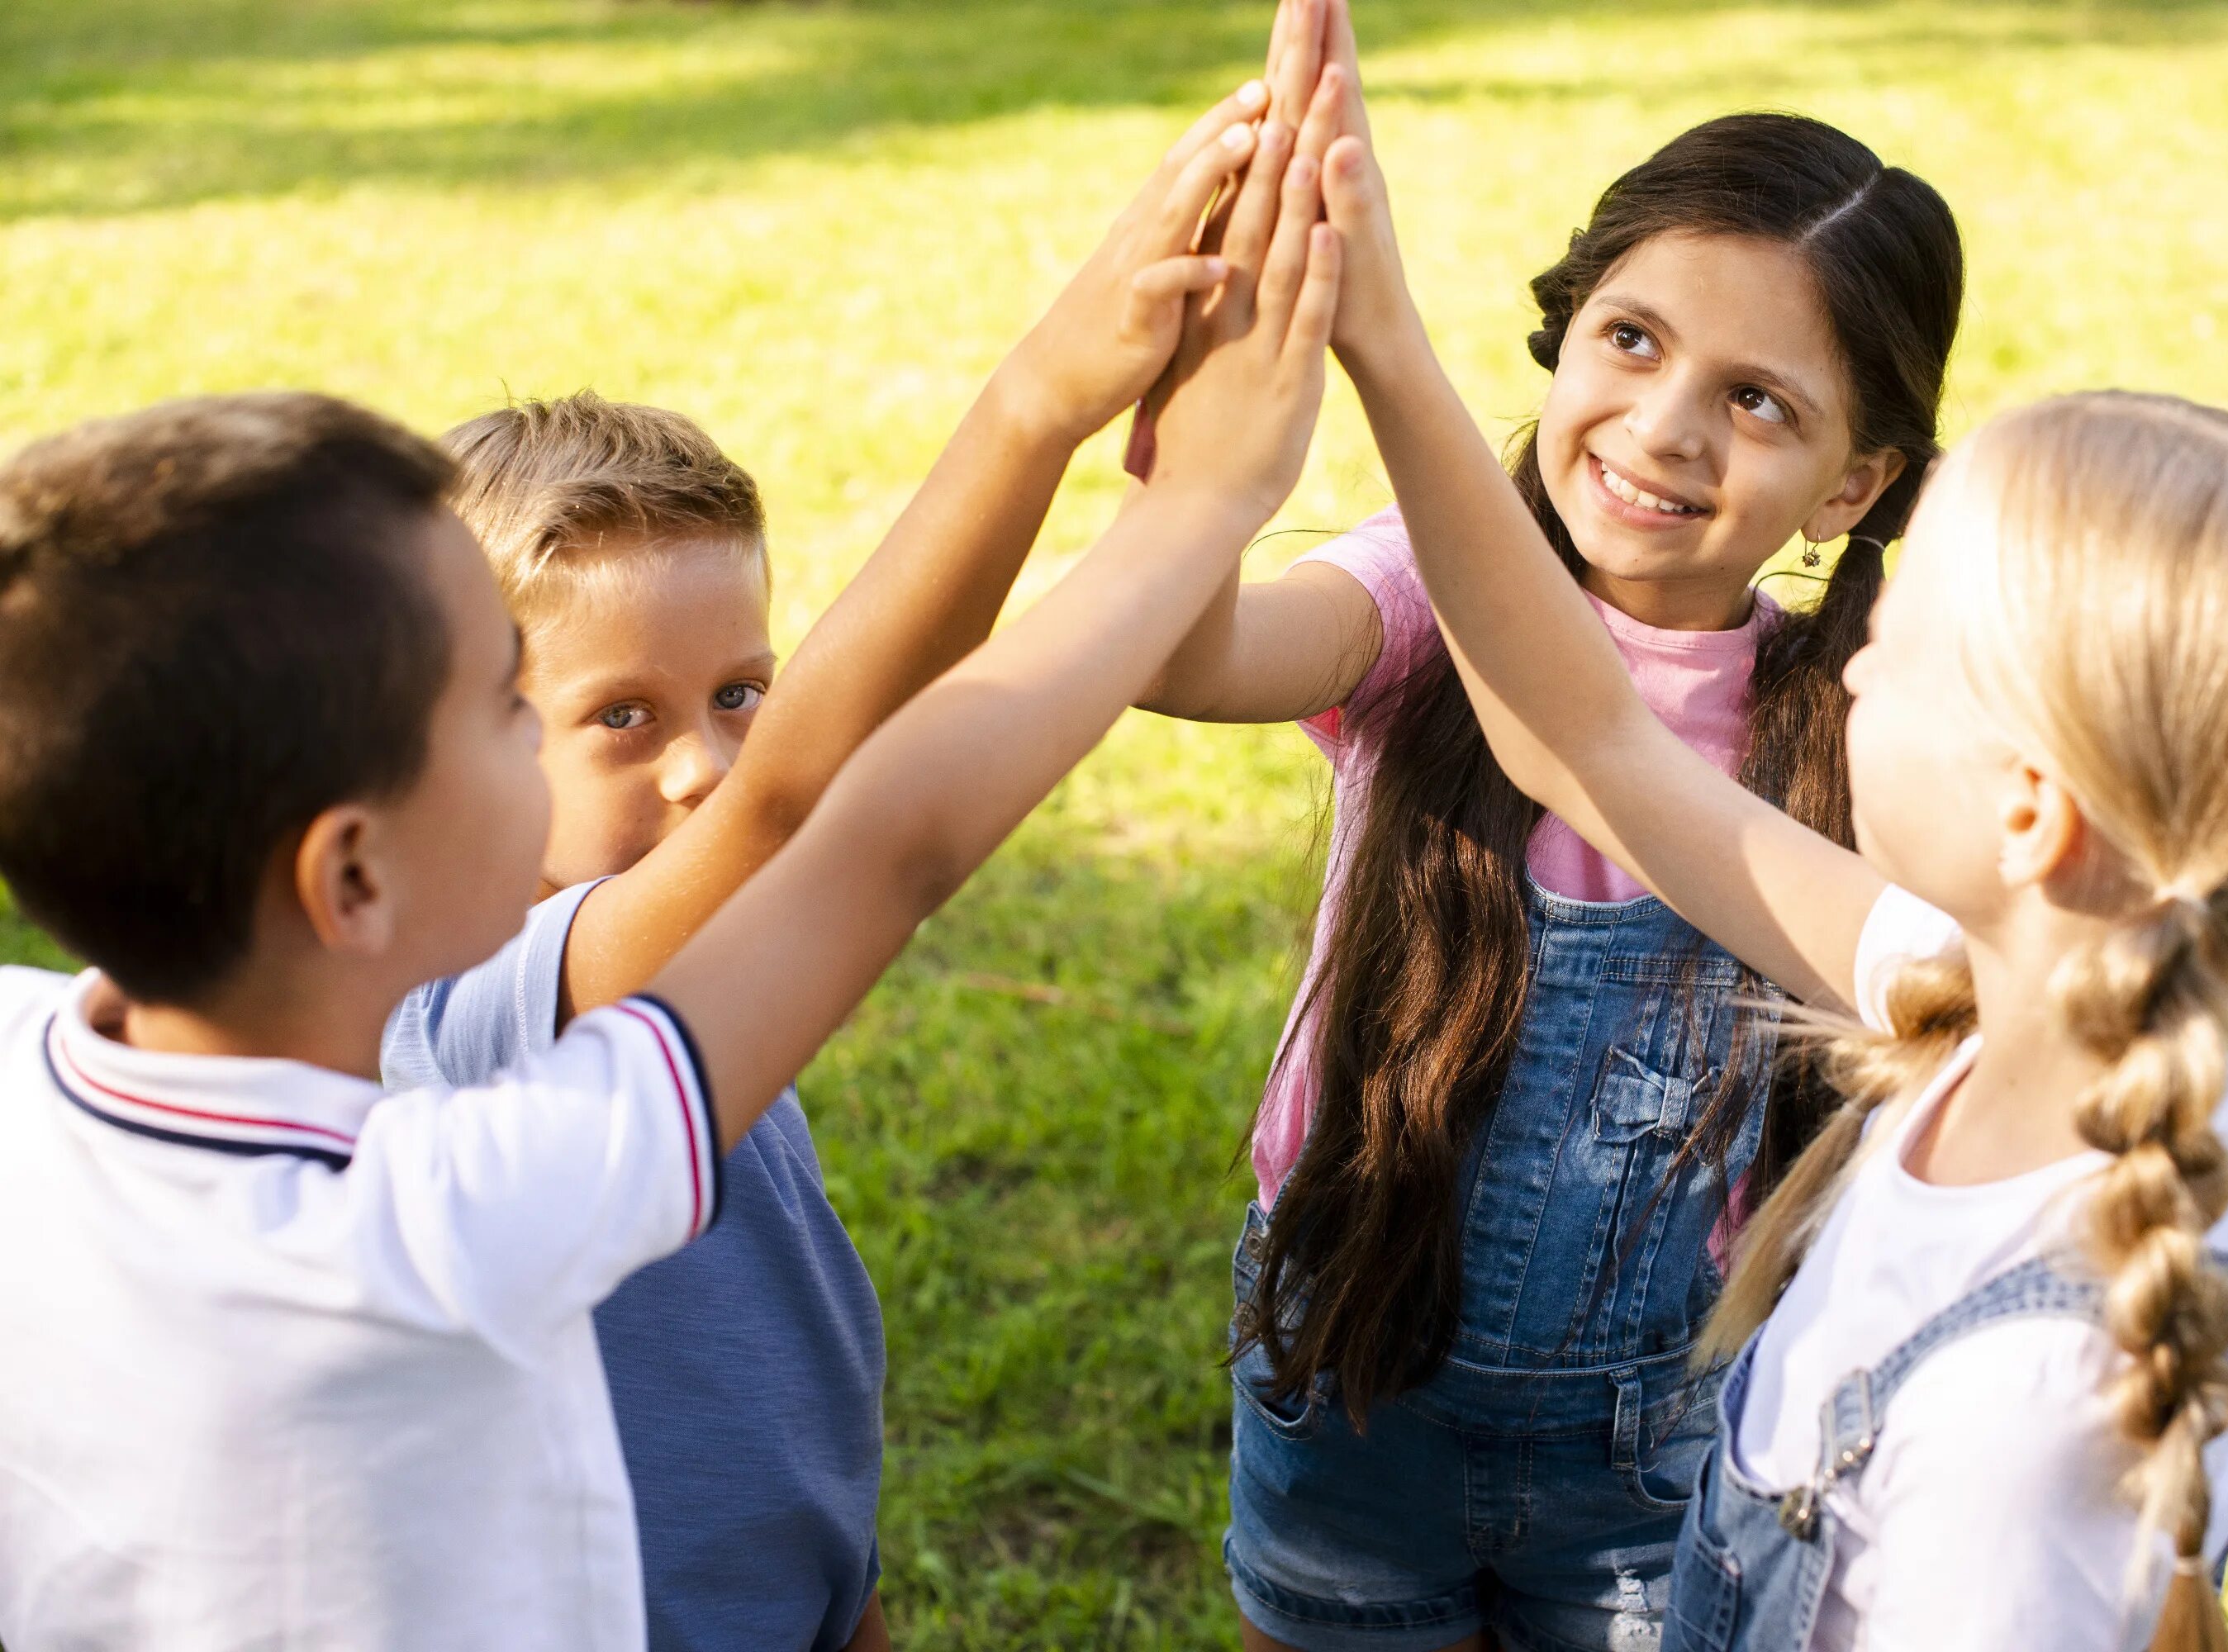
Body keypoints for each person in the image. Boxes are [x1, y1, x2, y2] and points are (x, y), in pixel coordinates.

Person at [0, 62, 1341, 1646]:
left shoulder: (34, 1057)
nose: (704, 766)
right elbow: (843, 827)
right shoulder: (447, 1195)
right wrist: (1188, 501)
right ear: (349, 878)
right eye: (505, 707)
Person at [1319, 108, 2228, 1645]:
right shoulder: (2032, 1006)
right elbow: (1591, 740)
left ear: (2034, 813)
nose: (1849, 668)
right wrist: (1380, 343)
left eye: (1900, 648)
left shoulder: (2025, 1433)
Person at [380, 50, 1299, 1637]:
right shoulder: (469, 1017)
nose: (704, 764)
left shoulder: (684, 959)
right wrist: (1045, 408)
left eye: (741, 690)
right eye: (624, 719)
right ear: (446, 737)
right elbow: (802, 798)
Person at [1144, 6, 1964, 1646]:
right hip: (1356, 1354)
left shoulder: (1864, 721)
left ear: (1852, 486)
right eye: (1634, 340)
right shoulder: (1410, 589)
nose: (1664, 428)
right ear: (1566, 328)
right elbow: (1184, 653)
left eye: (1758, 402)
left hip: (1660, 1429)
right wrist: (1212, 390)